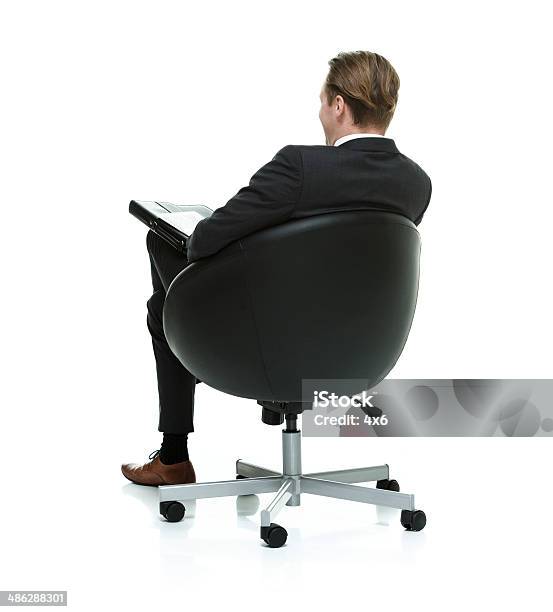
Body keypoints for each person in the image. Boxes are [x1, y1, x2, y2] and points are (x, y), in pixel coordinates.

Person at [121, 50, 432, 486]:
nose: (321, 110)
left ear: (338, 105)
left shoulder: (301, 166)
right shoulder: (415, 183)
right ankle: (189, 385)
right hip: (361, 352)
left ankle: (174, 453)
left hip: (269, 343)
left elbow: (206, 241)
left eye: (323, 101)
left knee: (162, 261)